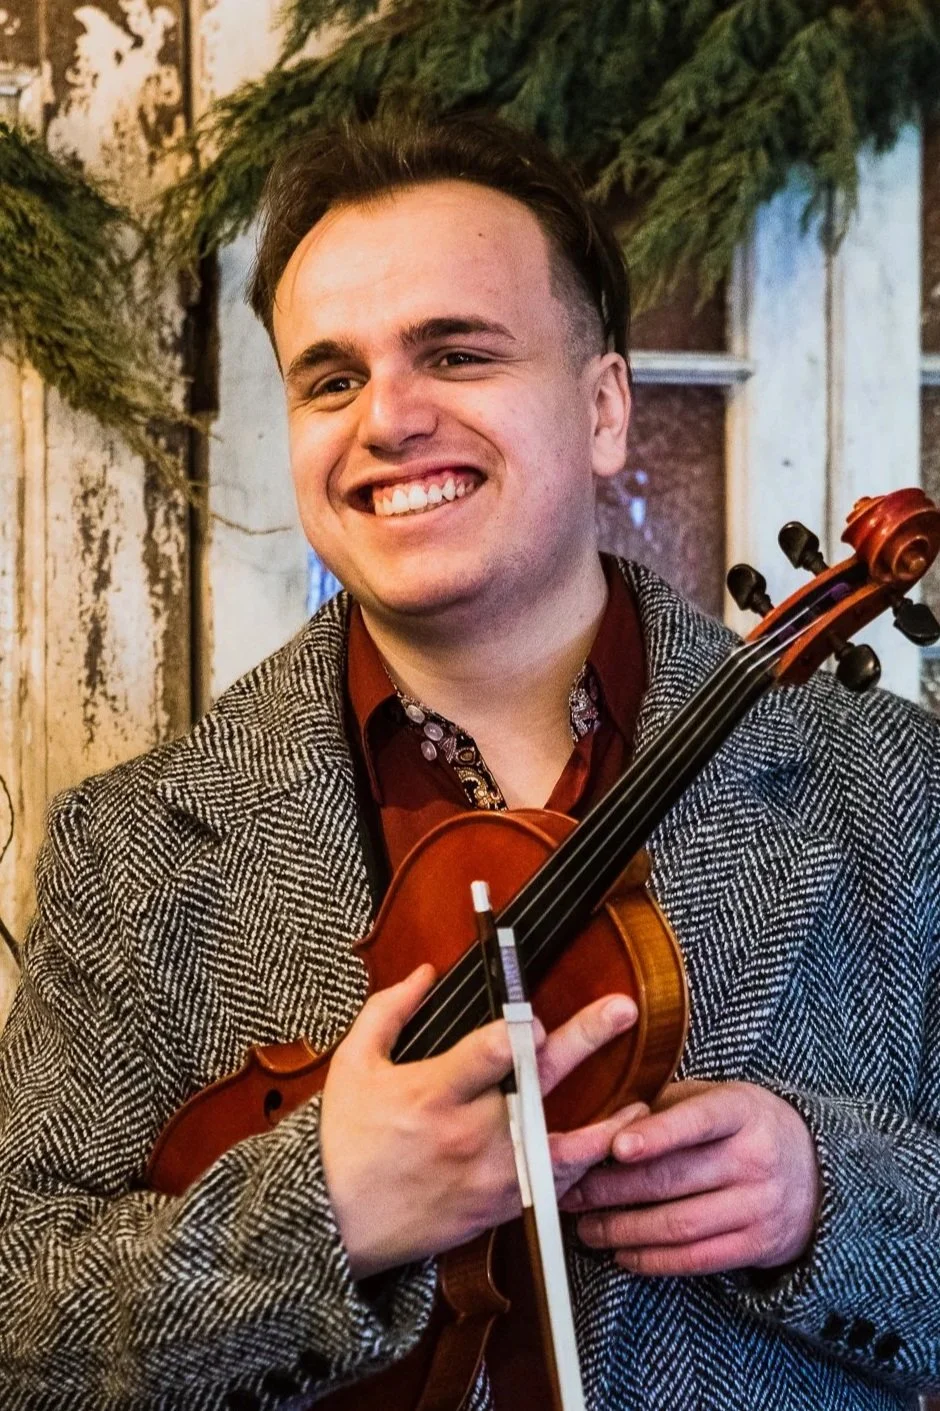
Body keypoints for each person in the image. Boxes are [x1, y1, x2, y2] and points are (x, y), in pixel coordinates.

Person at [0, 113, 938, 1411]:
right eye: (330, 379)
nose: (388, 417)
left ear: (605, 406)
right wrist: (319, 1211)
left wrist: (828, 1194)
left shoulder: (898, 789)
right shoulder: (138, 841)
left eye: (456, 351)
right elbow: (20, 1320)